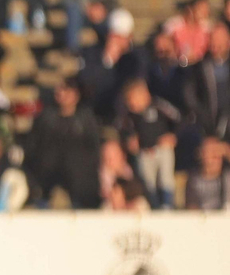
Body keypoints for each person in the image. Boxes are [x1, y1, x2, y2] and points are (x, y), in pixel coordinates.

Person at [24, 78, 104, 208]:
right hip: (47, 180)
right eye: (60, 91)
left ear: (76, 95)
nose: (63, 94)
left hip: (79, 185)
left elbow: (94, 150)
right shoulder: (46, 118)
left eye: (68, 91)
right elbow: (33, 148)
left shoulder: (87, 120)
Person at [116, 78, 180, 208]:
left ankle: (167, 205)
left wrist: (173, 135)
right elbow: (123, 131)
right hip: (145, 152)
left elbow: (179, 119)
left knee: (165, 178)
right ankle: (154, 206)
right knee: (148, 181)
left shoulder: (159, 106)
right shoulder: (129, 116)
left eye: (134, 98)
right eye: (129, 100)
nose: (132, 103)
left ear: (145, 94)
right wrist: (130, 141)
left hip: (162, 149)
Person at [78, 8, 140, 121]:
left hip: (125, 113)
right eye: (114, 36)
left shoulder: (137, 57)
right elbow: (87, 80)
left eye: (121, 37)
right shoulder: (92, 53)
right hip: (96, 109)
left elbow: (136, 84)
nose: (116, 41)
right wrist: (108, 59)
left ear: (130, 37)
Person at [184, 23, 230, 141]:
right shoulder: (199, 67)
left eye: (219, 41)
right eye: (213, 40)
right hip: (206, 125)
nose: (215, 45)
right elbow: (190, 93)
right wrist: (201, 114)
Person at [184, 135, 229, 210]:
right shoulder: (194, 180)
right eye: (211, 152)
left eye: (218, 152)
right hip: (203, 216)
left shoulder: (227, 177)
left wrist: (227, 151)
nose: (216, 155)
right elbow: (191, 207)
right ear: (202, 155)